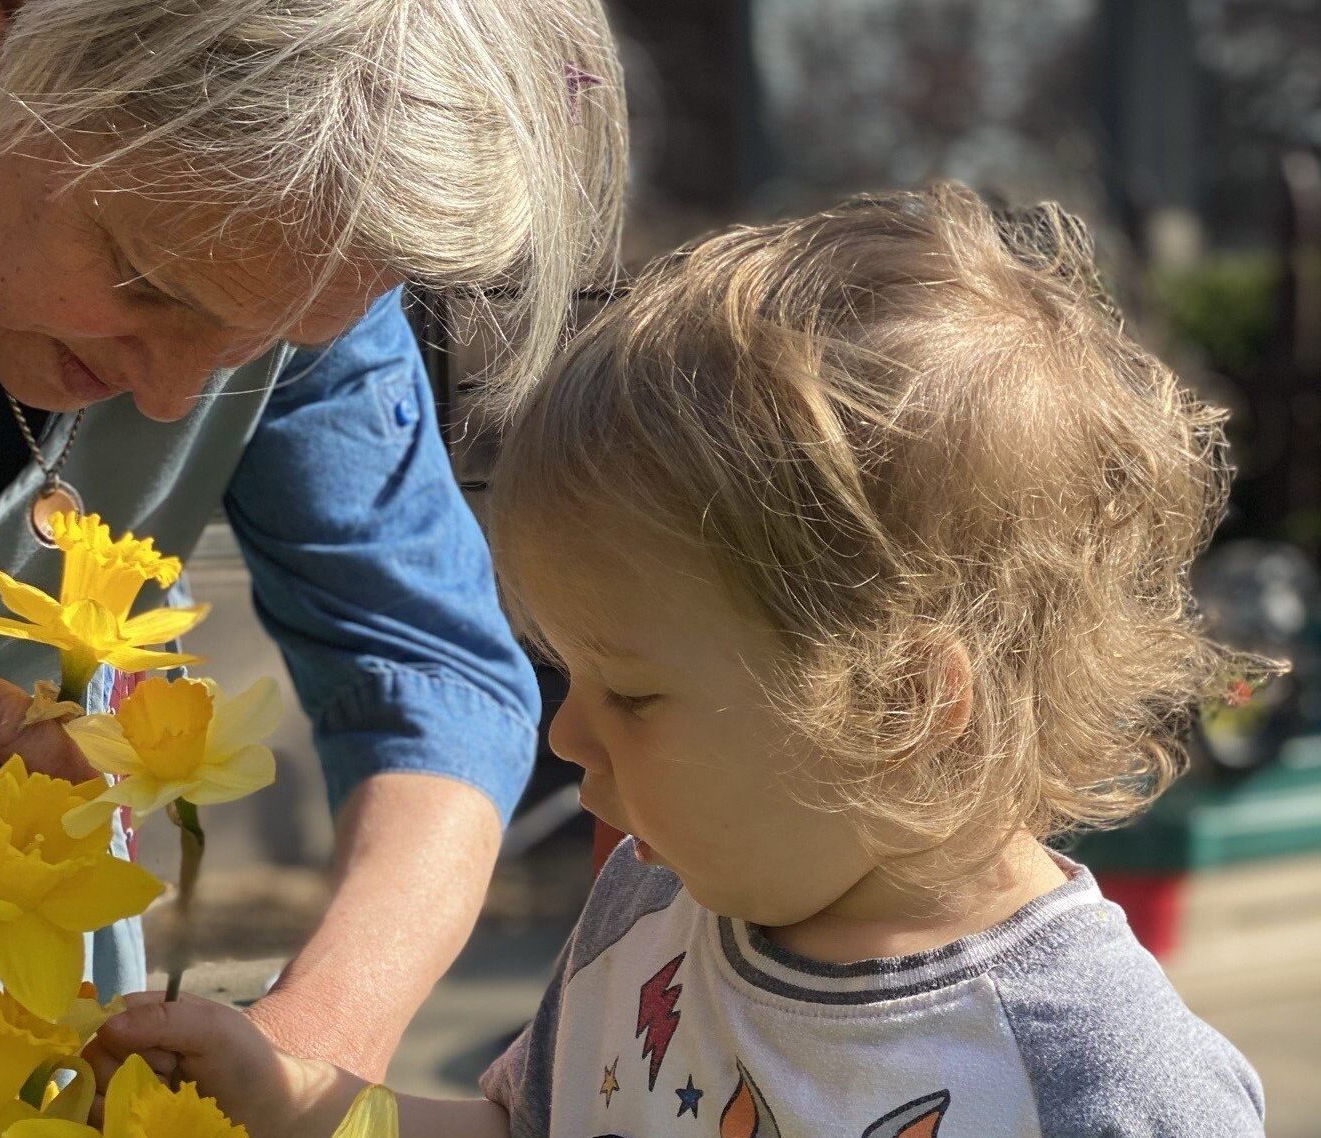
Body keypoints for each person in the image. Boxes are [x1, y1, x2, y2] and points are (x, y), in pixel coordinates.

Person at [89, 185, 1267, 1136]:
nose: (563, 736)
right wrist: (304, 1102)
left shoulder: (1100, 1082)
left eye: (632, 691)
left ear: (903, 703)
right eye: (571, 676)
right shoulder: (649, 918)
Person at [0, 0, 625, 1079]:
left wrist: (309, 1055)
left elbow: (436, 675)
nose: (180, 396)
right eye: (145, 281)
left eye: (264, 341)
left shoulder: (292, 235)